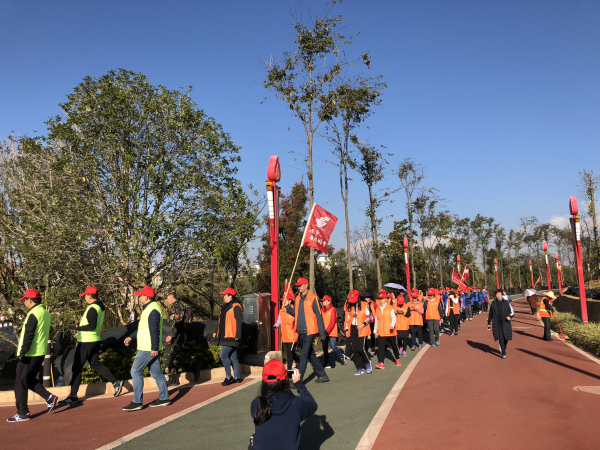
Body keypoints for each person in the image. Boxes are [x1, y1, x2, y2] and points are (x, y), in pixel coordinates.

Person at [59, 286, 124, 406]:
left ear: (89, 296)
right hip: (94, 339)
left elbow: (91, 326)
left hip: (87, 342)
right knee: (95, 364)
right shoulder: (99, 307)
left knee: (77, 368)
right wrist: (80, 332)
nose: (84, 297)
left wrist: (77, 328)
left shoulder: (93, 308)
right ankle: (116, 382)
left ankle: (73, 396)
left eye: (85, 295)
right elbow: (92, 326)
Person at [8, 289, 58, 422]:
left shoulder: (33, 314)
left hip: (29, 353)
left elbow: (29, 335)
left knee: (20, 382)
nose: (24, 302)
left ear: (30, 300)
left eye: (25, 300)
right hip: (40, 352)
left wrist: (23, 353)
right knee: (29, 380)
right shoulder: (45, 313)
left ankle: (23, 412)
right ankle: (49, 397)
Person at [250, 359, 317, 450]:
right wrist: (298, 384)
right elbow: (313, 405)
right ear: (286, 380)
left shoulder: (256, 404)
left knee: (254, 438)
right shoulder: (297, 403)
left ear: (264, 382)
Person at [122, 286, 170, 411]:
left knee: (135, 371)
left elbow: (154, 331)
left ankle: (137, 401)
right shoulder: (149, 308)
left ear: (147, 297)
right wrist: (131, 337)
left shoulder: (153, 310)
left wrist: (154, 348)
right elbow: (143, 328)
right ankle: (164, 398)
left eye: (141, 295)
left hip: (148, 348)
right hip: (149, 346)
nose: (140, 297)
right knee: (157, 373)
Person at [292, 278, 329, 383]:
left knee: (303, 356)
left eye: (300, 285)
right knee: (310, 355)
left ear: (306, 285)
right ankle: (322, 375)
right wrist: (287, 307)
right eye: (298, 286)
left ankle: (297, 380)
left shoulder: (313, 298)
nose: (298, 287)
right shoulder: (297, 298)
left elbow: (319, 315)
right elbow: (295, 313)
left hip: (309, 331)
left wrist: (322, 333)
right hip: (300, 332)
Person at [213, 287, 243, 386]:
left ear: (230, 296)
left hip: (232, 336)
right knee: (233, 356)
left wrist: (238, 335)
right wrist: (216, 332)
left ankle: (229, 377)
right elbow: (221, 322)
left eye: (225, 295)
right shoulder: (225, 307)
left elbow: (239, 321)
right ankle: (237, 377)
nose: (224, 297)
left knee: (223, 354)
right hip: (226, 336)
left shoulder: (236, 306)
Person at [344, 290, 372, 375]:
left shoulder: (365, 305)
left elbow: (369, 317)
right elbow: (348, 318)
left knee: (360, 348)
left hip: (362, 328)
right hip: (352, 328)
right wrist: (347, 329)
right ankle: (360, 367)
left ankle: (367, 362)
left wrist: (363, 324)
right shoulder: (349, 306)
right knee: (355, 349)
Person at [374, 294, 401, 368]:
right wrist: (375, 329)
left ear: (386, 299)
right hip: (381, 331)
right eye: (380, 299)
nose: (381, 300)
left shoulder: (391, 308)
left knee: (394, 346)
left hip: (390, 331)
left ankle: (397, 358)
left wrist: (392, 325)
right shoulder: (378, 309)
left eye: (382, 299)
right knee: (381, 347)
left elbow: (394, 318)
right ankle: (381, 362)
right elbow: (377, 320)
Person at [273, 295, 299, 371]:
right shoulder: (281, 310)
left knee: (289, 351)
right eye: (282, 300)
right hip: (285, 335)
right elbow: (279, 320)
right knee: (290, 351)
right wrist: (275, 326)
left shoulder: (294, 310)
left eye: (285, 300)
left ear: (290, 301)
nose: (283, 302)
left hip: (292, 335)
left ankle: (289, 368)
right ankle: (298, 360)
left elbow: (298, 321)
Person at [487, 290, 514, 359]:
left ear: (502, 294)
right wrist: (489, 322)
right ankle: (503, 352)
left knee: (506, 337)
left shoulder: (506, 302)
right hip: (497, 322)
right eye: (497, 294)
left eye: (499, 294)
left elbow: (511, 312)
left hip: (505, 321)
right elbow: (490, 314)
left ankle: (504, 347)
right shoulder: (493, 304)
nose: (498, 295)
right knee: (500, 337)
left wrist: (509, 317)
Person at [320, 295, 345, 368]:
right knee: (325, 347)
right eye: (322, 301)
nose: (323, 302)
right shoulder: (322, 310)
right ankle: (327, 362)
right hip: (324, 332)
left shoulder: (333, 310)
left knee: (333, 346)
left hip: (331, 332)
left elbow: (332, 322)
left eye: (324, 301)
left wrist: (327, 331)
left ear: (329, 301)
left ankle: (341, 357)